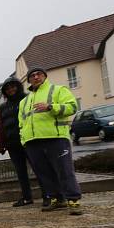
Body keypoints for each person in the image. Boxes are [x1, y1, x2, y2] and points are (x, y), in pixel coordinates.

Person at [18, 68, 82, 215]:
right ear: (28, 80)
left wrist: (51, 107)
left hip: (56, 138)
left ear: (45, 76)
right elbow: (21, 123)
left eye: (39, 74)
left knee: (64, 170)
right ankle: (56, 199)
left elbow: (72, 107)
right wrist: (24, 141)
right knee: (44, 173)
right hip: (32, 142)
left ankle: (73, 199)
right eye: (32, 76)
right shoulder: (24, 101)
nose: (35, 77)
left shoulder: (58, 90)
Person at [0, 77, 40, 207]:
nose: (11, 90)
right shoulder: (3, 107)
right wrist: (1, 144)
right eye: (8, 88)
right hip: (13, 144)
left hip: (29, 141)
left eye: (13, 86)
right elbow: (0, 127)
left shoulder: (28, 99)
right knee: (21, 173)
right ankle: (27, 198)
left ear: (18, 86)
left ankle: (48, 195)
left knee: (39, 170)